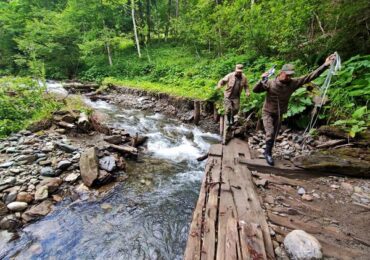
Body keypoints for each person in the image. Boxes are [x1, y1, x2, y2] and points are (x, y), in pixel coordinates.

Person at [253, 54, 337, 166]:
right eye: (286, 75)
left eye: (290, 75)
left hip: (280, 113)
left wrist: (325, 65)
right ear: (281, 73)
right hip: (267, 112)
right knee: (270, 132)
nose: (288, 77)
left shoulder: (293, 83)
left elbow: (310, 76)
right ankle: (267, 153)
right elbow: (256, 90)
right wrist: (261, 80)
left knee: (275, 134)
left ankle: (269, 150)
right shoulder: (270, 82)